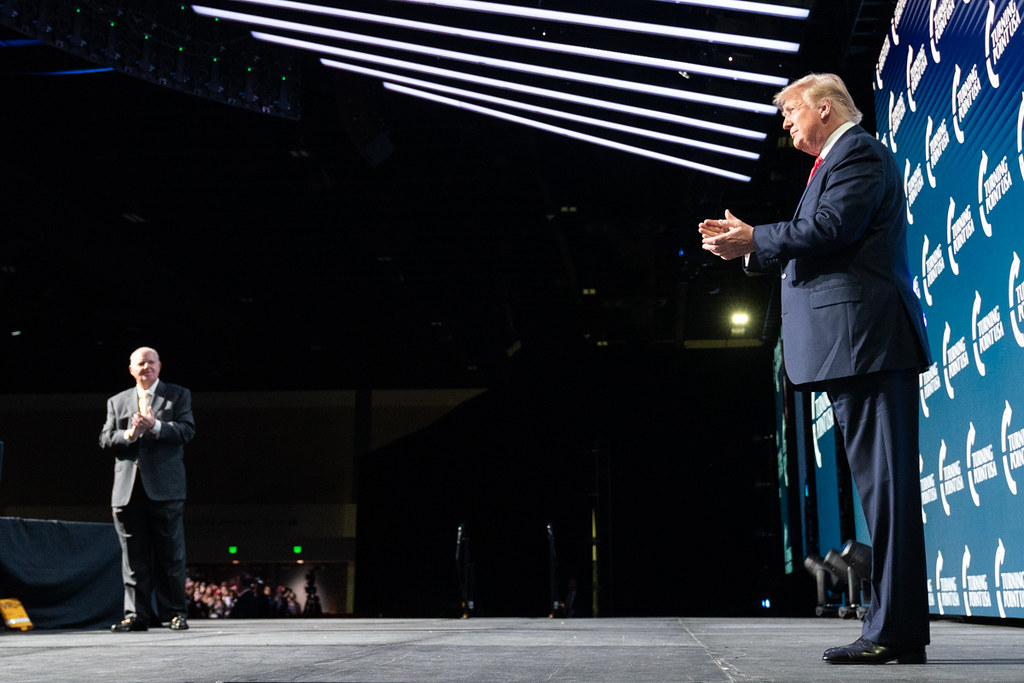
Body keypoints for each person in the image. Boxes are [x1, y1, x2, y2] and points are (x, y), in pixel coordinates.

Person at [699, 73, 932, 664]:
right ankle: (890, 627)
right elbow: (818, 237)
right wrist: (750, 246)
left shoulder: (858, 153)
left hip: (872, 345)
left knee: (890, 496)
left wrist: (758, 237)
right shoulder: (836, 159)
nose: (786, 124)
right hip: (857, 349)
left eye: (791, 113)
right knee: (881, 494)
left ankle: (894, 632)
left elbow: (832, 229)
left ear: (825, 109)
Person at [99, 347, 196, 632]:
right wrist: (130, 434)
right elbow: (105, 439)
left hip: (166, 489)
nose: (146, 367)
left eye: (151, 362)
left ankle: (175, 613)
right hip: (128, 490)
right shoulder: (117, 401)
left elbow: (187, 431)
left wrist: (155, 425)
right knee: (133, 559)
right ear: (131, 369)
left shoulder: (178, 395)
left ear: (159, 366)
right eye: (140, 363)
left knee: (171, 555)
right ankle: (136, 615)